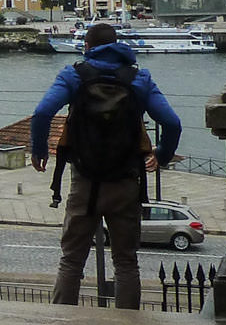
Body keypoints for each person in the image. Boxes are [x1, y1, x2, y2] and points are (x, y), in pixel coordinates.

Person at [28, 22, 182, 309]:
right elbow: (172, 123)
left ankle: (63, 321)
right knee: (126, 262)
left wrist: (39, 150)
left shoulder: (74, 75)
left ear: (87, 47)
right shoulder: (140, 79)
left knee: (71, 260)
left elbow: (42, 113)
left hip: (85, 182)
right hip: (126, 182)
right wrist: (161, 154)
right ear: (118, 45)